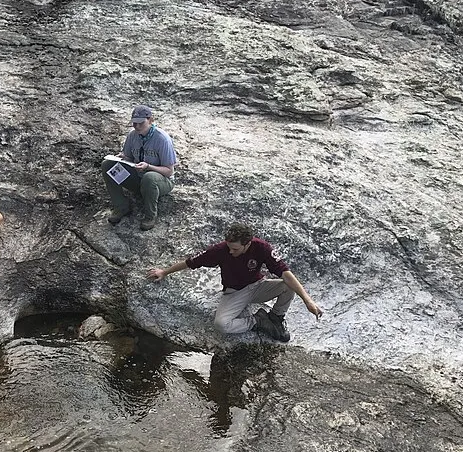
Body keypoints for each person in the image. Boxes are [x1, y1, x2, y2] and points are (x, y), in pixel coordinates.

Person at [147, 222, 322, 342]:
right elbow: (191, 262)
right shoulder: (221, 250)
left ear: (248, 244)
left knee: (287, 285)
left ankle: (275, 318)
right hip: (234, 292)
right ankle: (258, 321)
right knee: (222, 325)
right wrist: (164, 272)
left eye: (235, 249)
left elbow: (286, 273)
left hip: (257, 286)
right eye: (229, 247)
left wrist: (308, 301)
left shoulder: (262, 248)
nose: (231, 252)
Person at [101, 105, 177, 231]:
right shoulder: (133, 135)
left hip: (161, 182)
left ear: (151, 120)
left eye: (141, 123)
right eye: (134, 123)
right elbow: (130, 158)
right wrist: (122, 158)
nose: (136, 127)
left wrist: (148, 167)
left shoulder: (162, 139)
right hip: (139, 178)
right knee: (108, 165)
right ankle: (121, 206)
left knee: (149, 177)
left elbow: (169, 171)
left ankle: (150, 216)